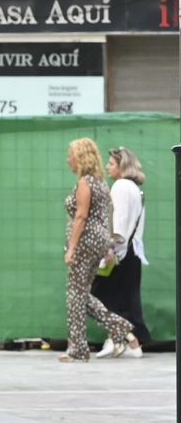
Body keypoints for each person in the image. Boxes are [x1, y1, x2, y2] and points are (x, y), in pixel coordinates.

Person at [59, 137, 133, 363]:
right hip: (98, 242)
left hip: (85, 242)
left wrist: (71, 248)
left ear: (80, 158)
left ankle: (79, 348)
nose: (68, 160)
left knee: (75, 295)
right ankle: (120, 328)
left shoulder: (85, 183)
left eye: (71, 155)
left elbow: (81, 216)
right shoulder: (100, 182)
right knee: (80, 295)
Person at [91, 145, 149, 358]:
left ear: (122, 165)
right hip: (132, 249)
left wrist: (111, 249)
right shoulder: (134, 188)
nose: (107, 166)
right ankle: (120, 340)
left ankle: (122, 339)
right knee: (124, 298)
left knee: (99, 295)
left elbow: (120, 222)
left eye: (112, 163)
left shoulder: (120, 186)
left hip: (121, 250)